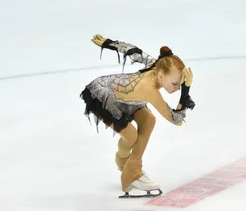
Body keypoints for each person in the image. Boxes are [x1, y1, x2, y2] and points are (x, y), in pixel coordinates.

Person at [80, 34, 196, 198]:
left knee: (149, 120)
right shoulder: (150, 91)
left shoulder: (158, 66)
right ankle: (131, 175)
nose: (177, 87)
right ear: (161, 76)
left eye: (180, 84)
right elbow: (175, 119)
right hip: (100, 94)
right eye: (175, 83)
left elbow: (133, 51)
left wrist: (108, 43)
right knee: (131, 135)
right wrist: (186, 90)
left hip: (123, 95)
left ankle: (126, 164)